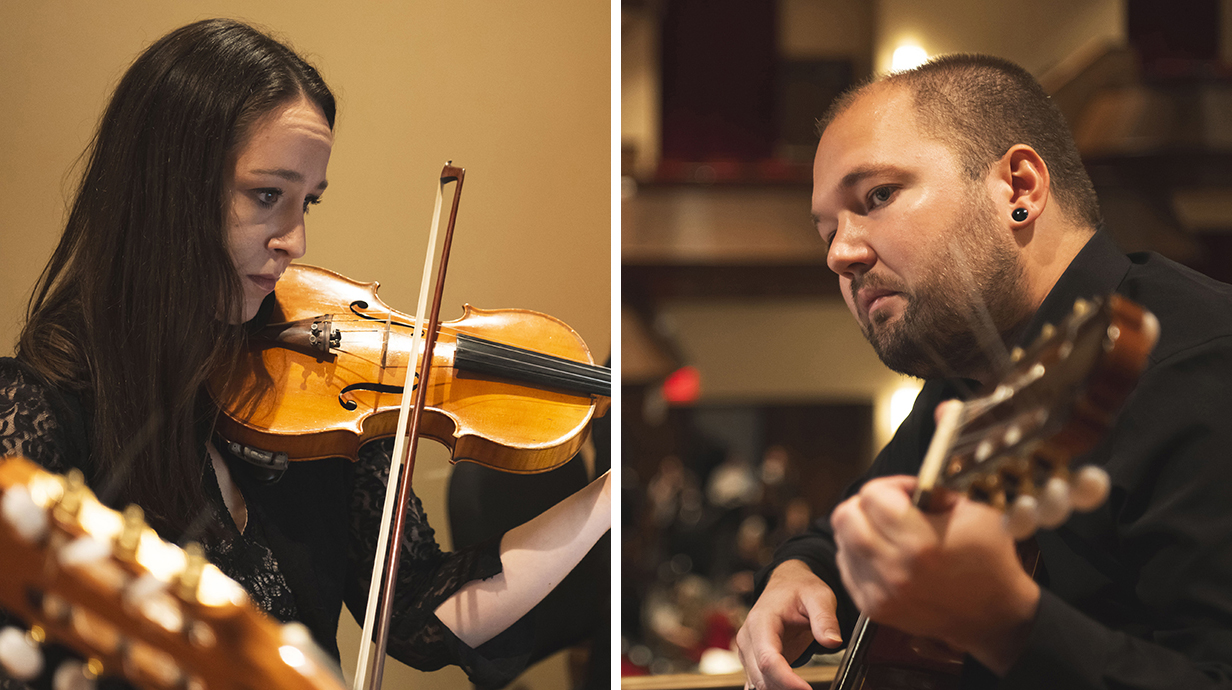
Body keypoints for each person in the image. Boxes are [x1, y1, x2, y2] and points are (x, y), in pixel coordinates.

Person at [0, 18, 611, 690]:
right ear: (167, 189)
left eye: (307, 203)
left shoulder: (320, 397)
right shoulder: (40, 414)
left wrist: (610, 496)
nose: (295, 240)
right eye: (267, 196)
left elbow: (413, 609)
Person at [735, 54, 1232, 689]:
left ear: (1019, 189)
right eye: (827, 229)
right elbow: (848, 525)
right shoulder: (970, 376)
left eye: (877, 197)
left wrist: (1005, 621)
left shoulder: (1199, 367)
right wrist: (798, 573)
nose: (841, 254)